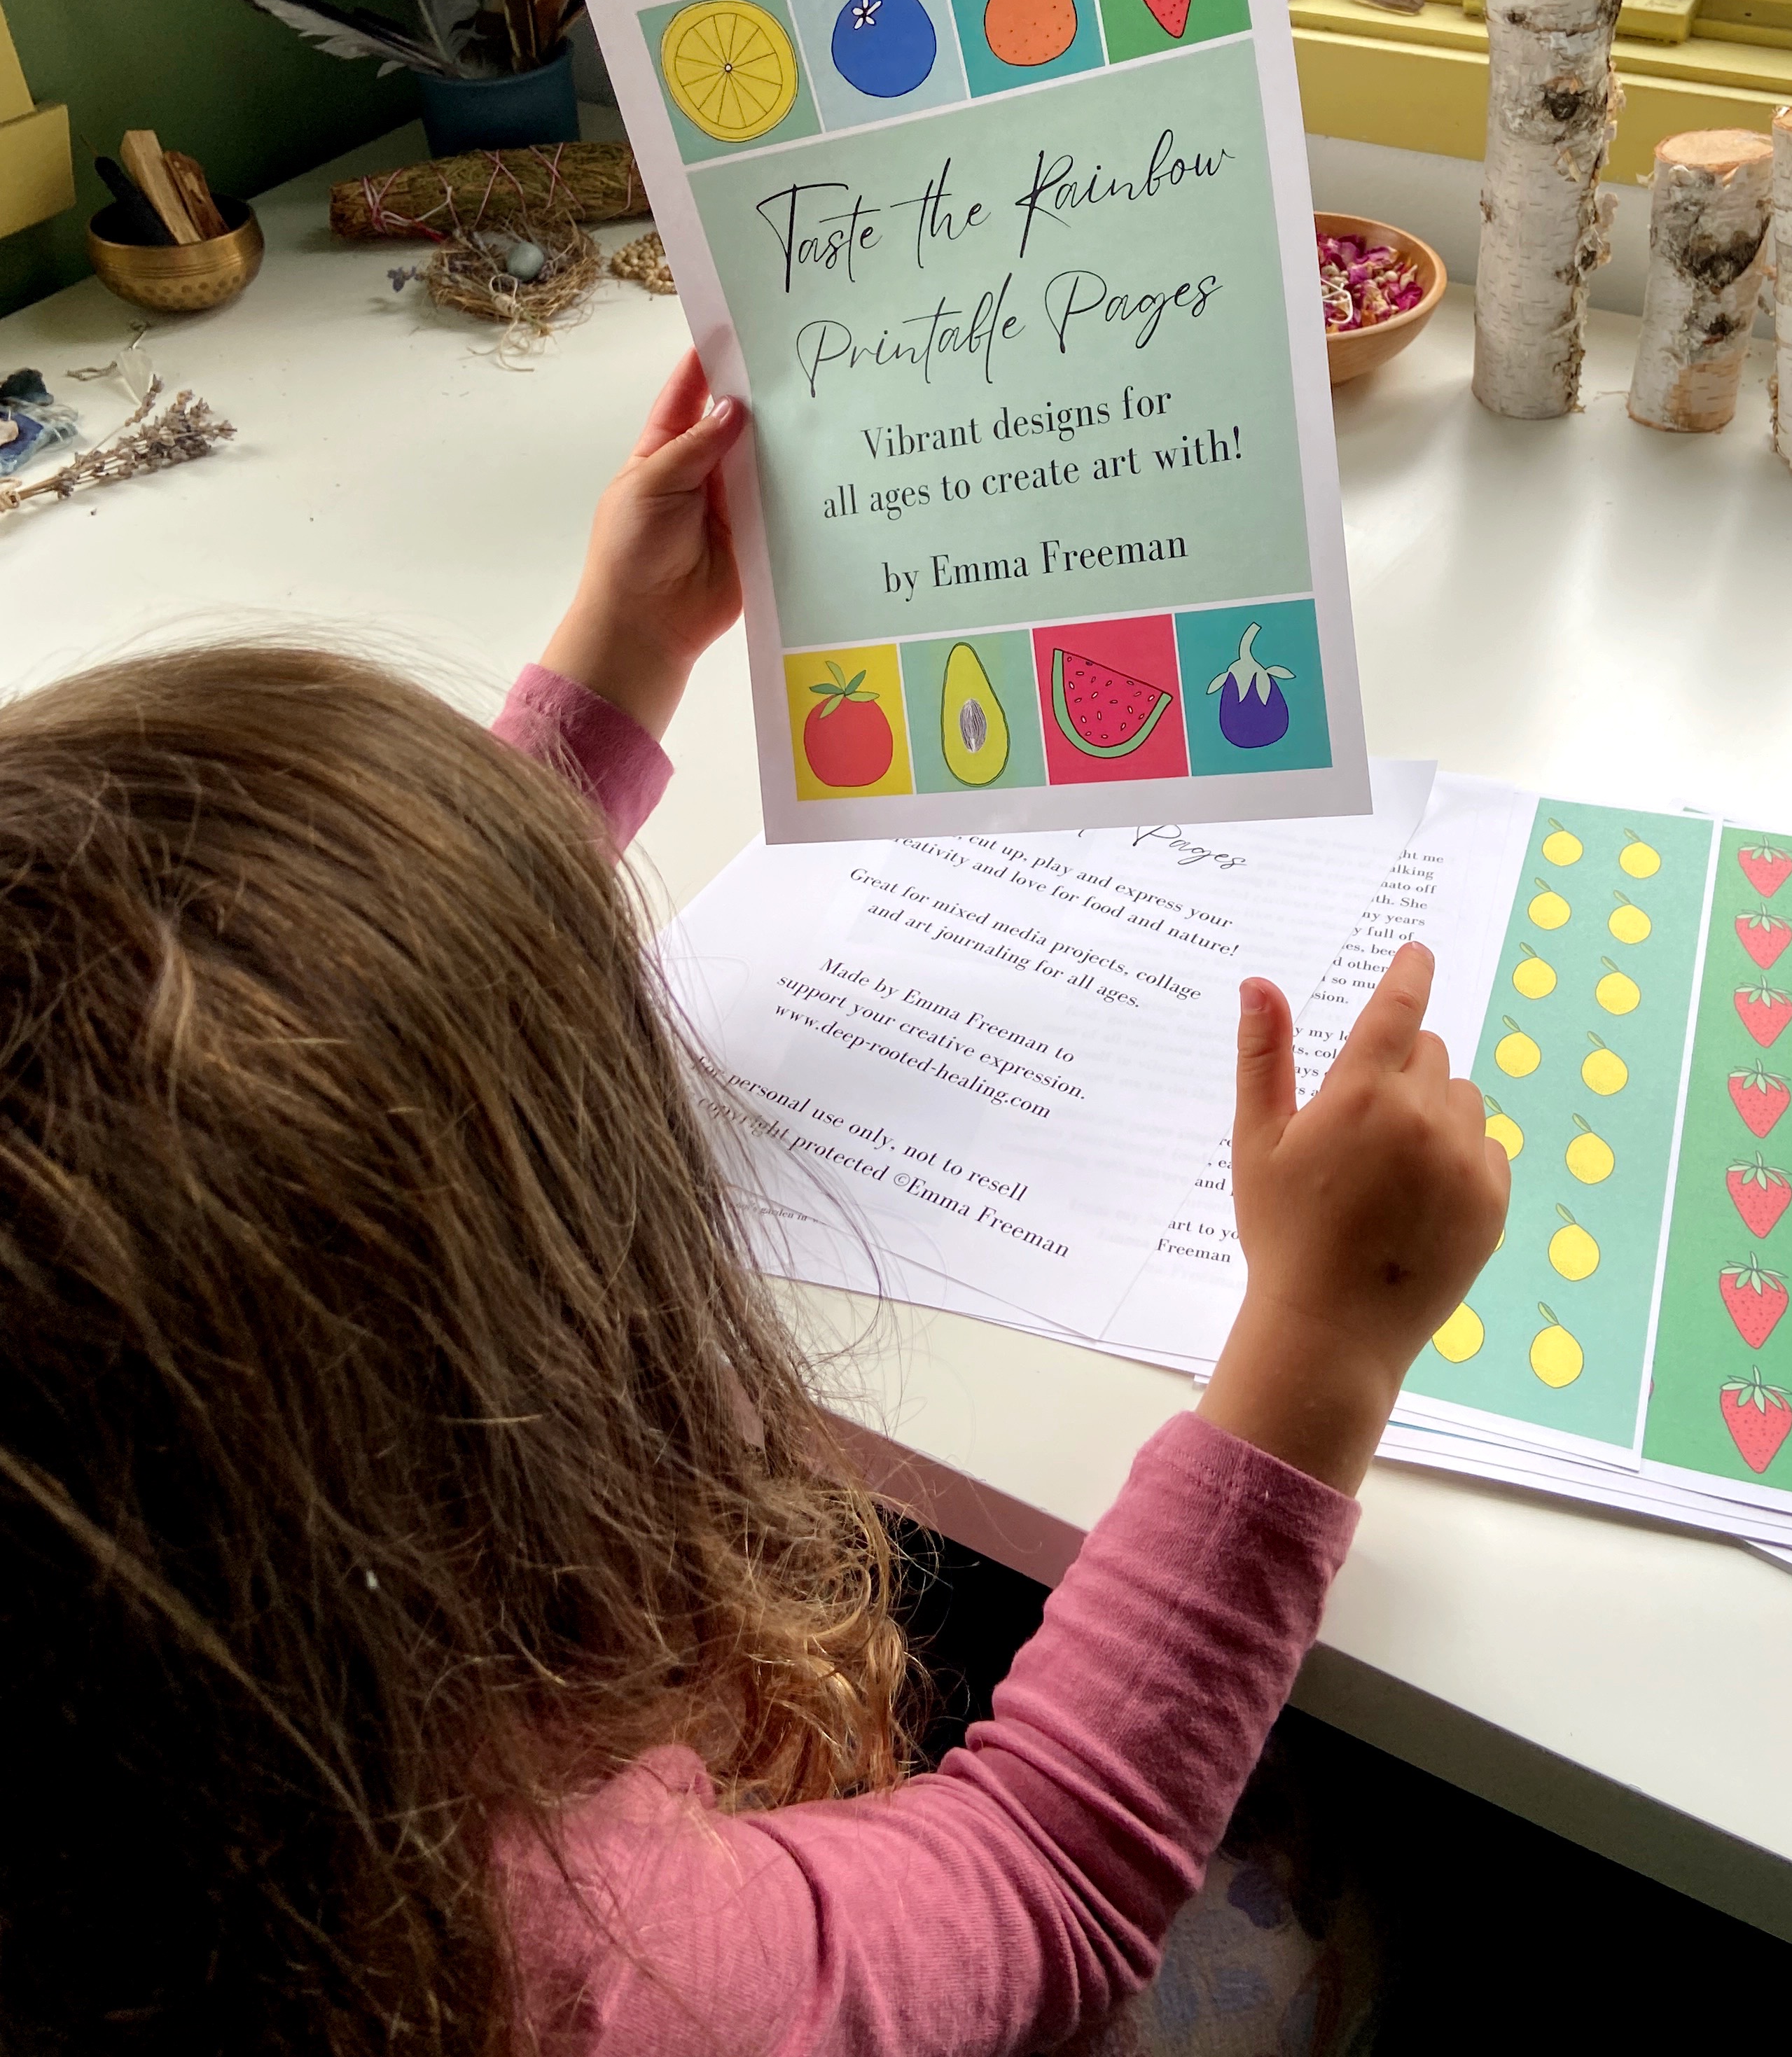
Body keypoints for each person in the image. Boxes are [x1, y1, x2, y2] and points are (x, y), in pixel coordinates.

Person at [0, 353, 1506, 2057]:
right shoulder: (579, 1970)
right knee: (1331, 1901)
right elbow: (1047, 1877)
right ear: (465, 1443)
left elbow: (252, 1061)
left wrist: (619, 657)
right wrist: (1323, 1342)